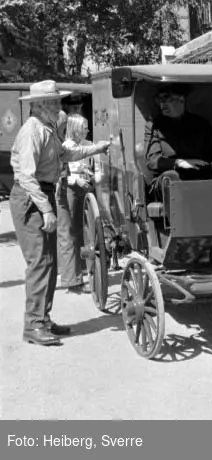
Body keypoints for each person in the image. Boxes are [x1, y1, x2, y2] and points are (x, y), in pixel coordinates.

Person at [9, 80, 109, 346]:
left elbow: (65, 154)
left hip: (40, 194)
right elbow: (26, 177)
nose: (59, 105)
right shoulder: (32, 131)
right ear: (40, 105)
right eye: (54, 102)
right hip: (31, 198)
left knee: (50, 262)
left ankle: (42, 318)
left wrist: (97, 148)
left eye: (58, 101)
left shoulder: (47, 127)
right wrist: (46, 209)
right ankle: (34, 325)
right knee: (40, 263)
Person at [144, 84, 212, 208]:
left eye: (166, 98)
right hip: (167, 180)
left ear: (181, 99)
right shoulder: (154, 125)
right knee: (171, 176)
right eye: (159, 100)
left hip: (198, 176)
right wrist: (179, 163)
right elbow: (152, 161)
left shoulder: (201, 124)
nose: (162, 105)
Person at [56, 113, 102, 293]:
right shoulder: (67, 147)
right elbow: (64, 174)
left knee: (84, 229)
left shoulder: (86, 144)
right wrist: (76, 180)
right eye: (84, 127)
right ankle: (71, 273)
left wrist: (92, 175)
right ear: (75, 129)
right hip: (72, 191)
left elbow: (90, 164)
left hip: (84, 189)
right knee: (72, 231)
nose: (88, 130)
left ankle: (82, 268)